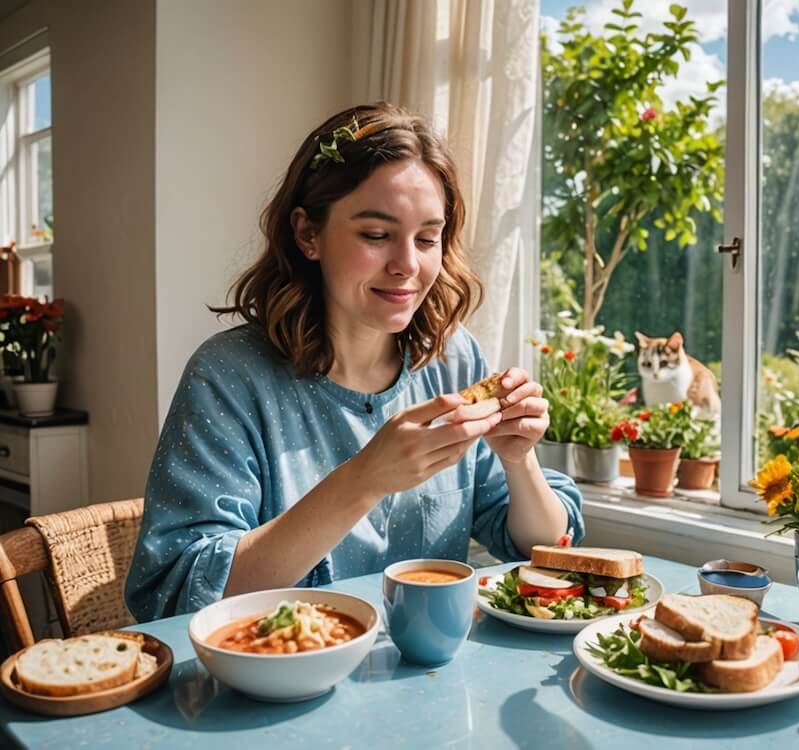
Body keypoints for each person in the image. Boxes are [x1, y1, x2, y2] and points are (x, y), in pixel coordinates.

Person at [125, 103, 584, 620]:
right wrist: (365, 478)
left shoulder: (454, 359)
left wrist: (518, 460)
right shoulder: (229, 377)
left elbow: (538, 549)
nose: (408, 264)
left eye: (428, 238)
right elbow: (178, 592)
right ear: (308, 235)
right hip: (278, 689)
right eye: (376, 235)